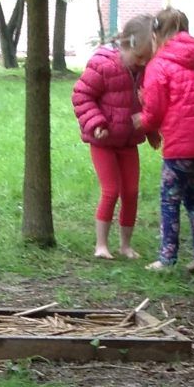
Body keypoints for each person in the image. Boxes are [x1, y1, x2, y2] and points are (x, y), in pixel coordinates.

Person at [137, 7, 194, 272]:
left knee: (169, 199)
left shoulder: (159, 64)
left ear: (156, 35)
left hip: (183, 143)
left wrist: (139, 121)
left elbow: (154, 112)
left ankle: (166, 259)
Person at [72, 16, 155, 259]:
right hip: (104, 142)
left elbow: (147, 101)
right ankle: (101, 244)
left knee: (131, 192)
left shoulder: (144, 70)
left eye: (147, 59)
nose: (142, 63)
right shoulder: (103, 65)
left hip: (129, 142)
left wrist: (150, 127)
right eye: (139, 57)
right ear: (126, 44)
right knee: (111, 190)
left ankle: (126, 245)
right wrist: (96, 123)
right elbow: (82, 96)